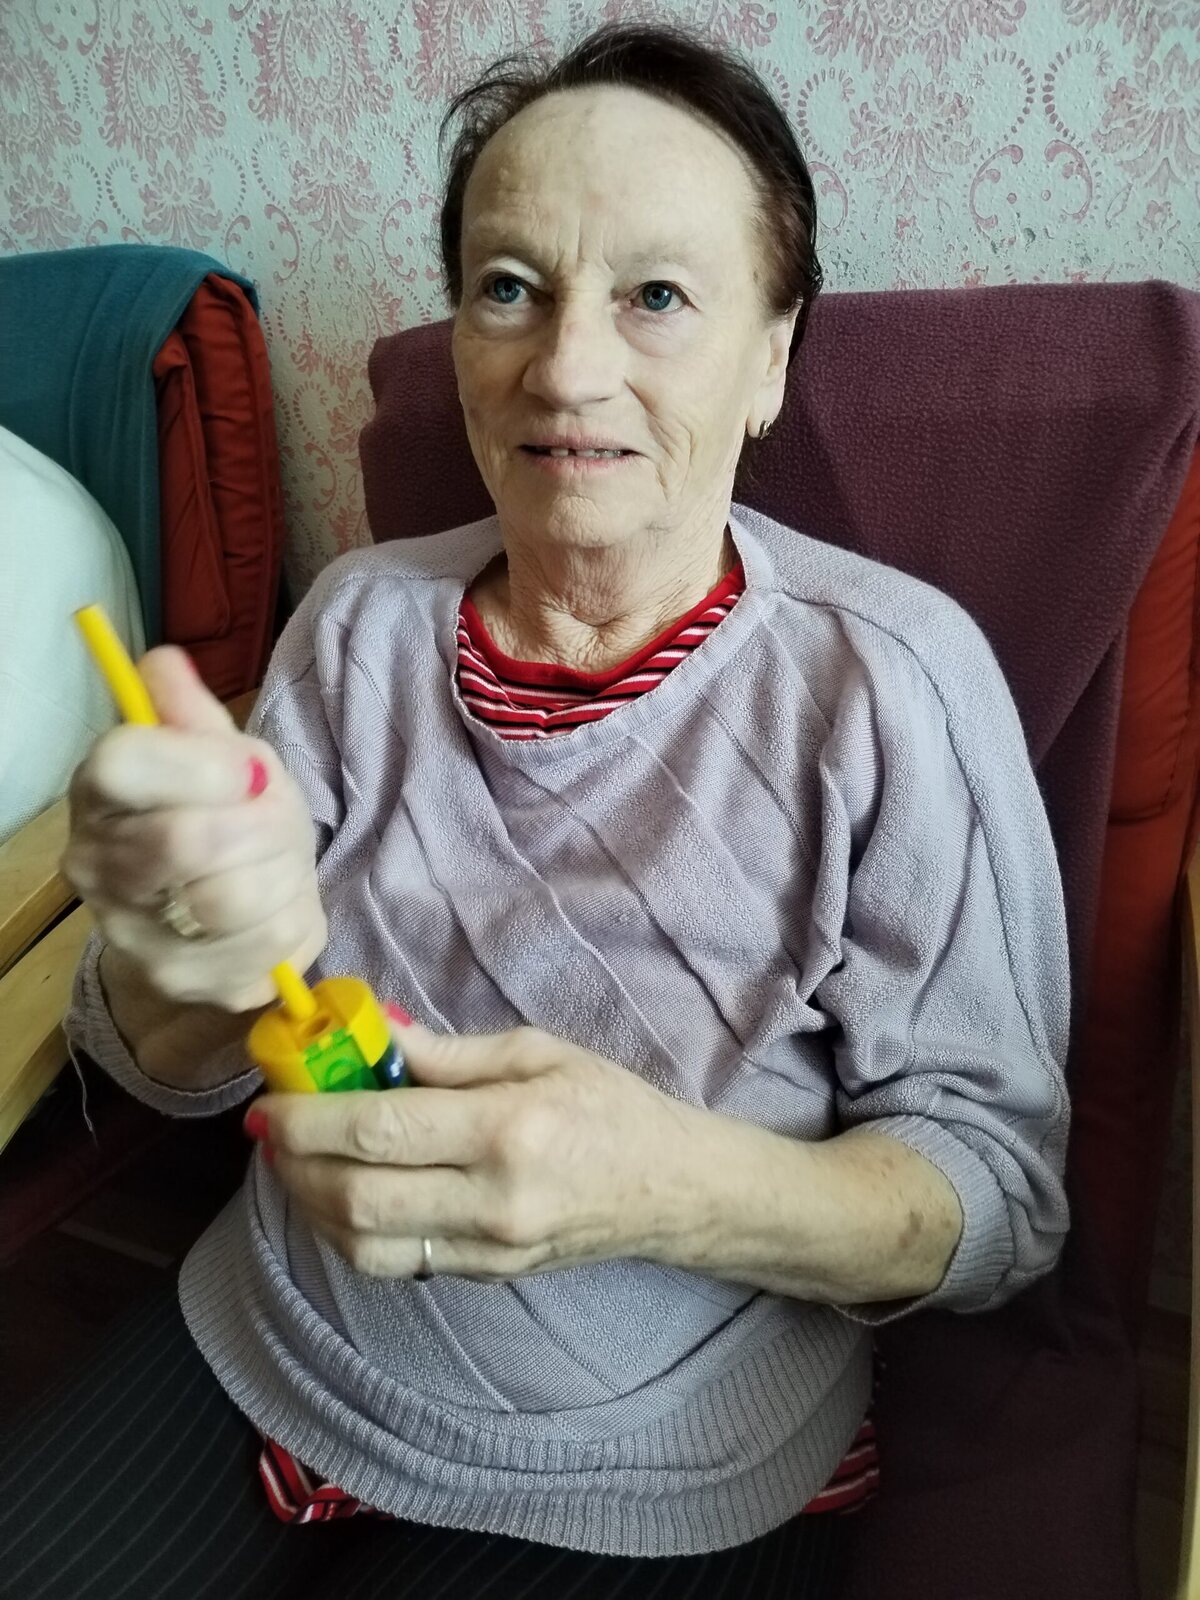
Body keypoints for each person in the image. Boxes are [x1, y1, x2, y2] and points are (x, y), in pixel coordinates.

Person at [2, 22, 1070, 1600]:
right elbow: (179, 1060)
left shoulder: (890, 685)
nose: (566, 369)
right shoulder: (356, 626)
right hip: (281, 1339)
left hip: (667, 1444)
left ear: (772, 355)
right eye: (508, 287)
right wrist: (182, 959)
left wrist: (662, 1187)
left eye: (659, 296)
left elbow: (1001, 1198)